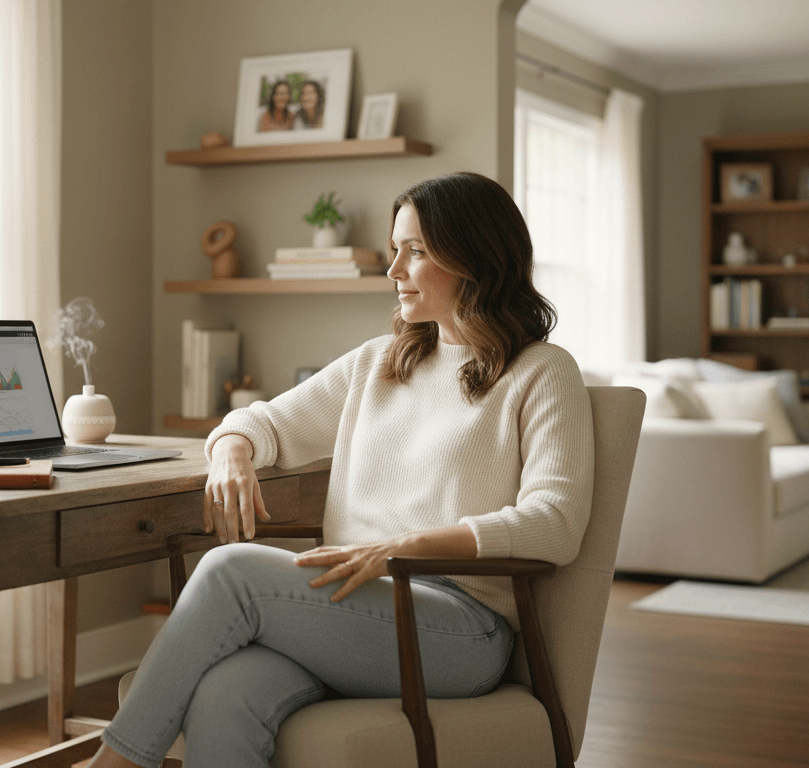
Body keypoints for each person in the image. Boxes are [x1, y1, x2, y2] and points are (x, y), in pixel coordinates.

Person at [90, 171, 595, 768]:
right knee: (228, 693)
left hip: (461, 628)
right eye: (394, 251)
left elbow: (556, 521)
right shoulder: (381, 363)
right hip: (357, 608)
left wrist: (404, 548)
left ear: (473, 257)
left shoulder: (542, 372)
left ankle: (111, 764)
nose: (394, 271)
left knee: (229, 569)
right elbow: (265, 423)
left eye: (416, 252)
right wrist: (230, 449)